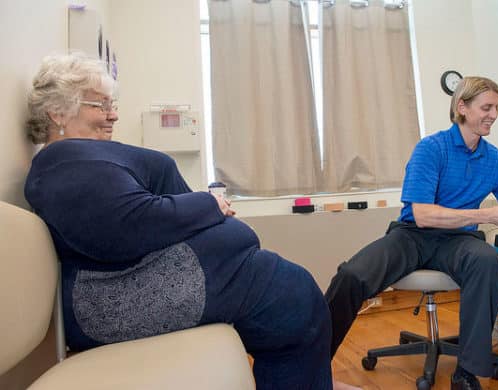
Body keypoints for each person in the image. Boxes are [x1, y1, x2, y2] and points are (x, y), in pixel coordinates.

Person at [24, 53, 332, 389]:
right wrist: (210, 205)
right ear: (57, 112)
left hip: (158, 278)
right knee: (295, 302)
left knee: (294, 305)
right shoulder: (63, 163)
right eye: (99, 105)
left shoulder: (81, 158)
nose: (113, 114)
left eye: (111, 104)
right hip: (117, 301)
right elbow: (131, 225)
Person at [325, 76, 498, 390]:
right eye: (487, 107)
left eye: (497, 107)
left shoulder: (494, 159)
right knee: (352, 275)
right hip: (413, 234)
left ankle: (466, 373)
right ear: (462, 107)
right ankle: (310, 365)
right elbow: (422, 213)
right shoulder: (432, 149)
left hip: (459, 240)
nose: (494, 114)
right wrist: (488, 214)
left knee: (487, 261)